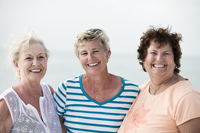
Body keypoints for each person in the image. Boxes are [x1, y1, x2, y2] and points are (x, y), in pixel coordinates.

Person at [53, 28, 140, 133]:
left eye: (95, 51)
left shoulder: (132, 92)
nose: (90, 58)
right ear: (79, 58)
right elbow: (54, 127)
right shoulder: (66, 89)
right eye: (84, 53)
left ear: (108, 53)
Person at [118, 26, 200, 133]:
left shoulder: (187, 97)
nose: (159, 59)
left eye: (166, 53)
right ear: (144, 58)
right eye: (153, 53)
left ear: (175, 60)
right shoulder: (142, 90)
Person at [0, 30, 62, 133]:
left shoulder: (49, 92)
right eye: (29, 58)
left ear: (46, 60)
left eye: (40, 57)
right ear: (16, 64)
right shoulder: (7, 103)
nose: (36, 63)